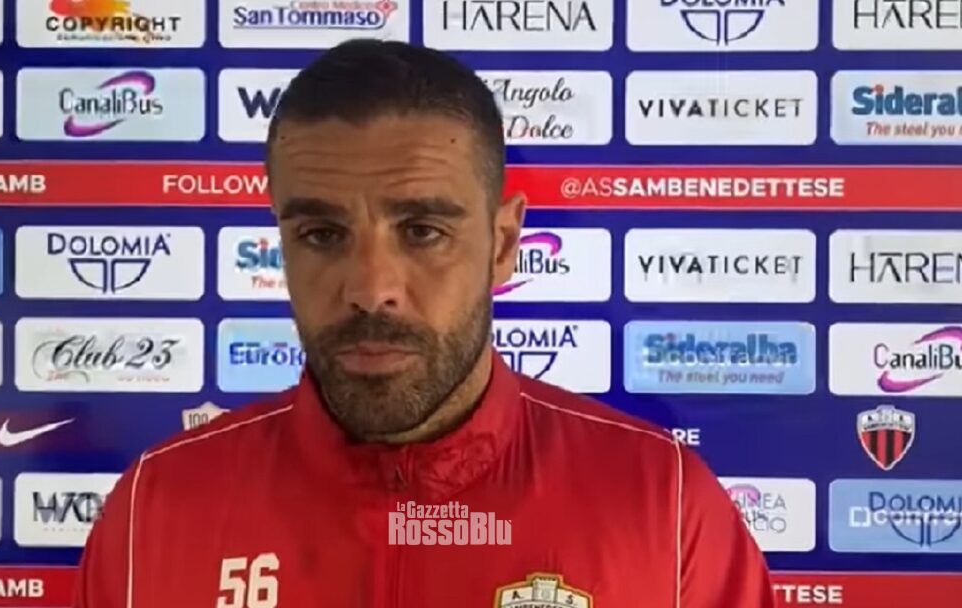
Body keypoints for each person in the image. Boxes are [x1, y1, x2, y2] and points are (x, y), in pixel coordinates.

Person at [74, 39, 775, 608]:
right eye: (322, 234)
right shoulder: (154, 511)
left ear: (502, 245)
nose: (370, 290)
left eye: (422, 231)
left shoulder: (665, 505)